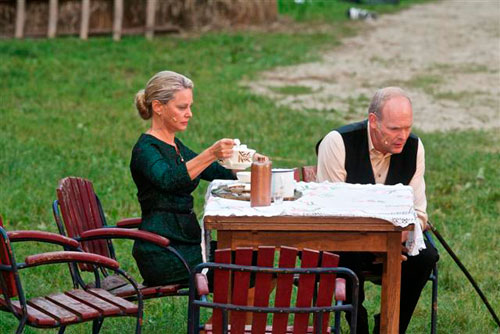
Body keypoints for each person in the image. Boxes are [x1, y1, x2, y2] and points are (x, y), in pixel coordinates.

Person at [316, 87, 439, 334]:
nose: (402, 136)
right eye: (394, 129)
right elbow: (333, 211)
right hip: (345, 235)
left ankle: (391, 327)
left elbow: (418, 211)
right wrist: (382, 243)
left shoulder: (414, 148)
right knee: (346, 255)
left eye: (407, 127)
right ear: (373, 121)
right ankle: (357, 325)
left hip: (396, 237)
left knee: (425, 257)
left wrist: (405, 234)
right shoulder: (338, 143)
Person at [130, 70, 264, 286]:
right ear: (158, 107)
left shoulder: (175, 146)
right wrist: (210, 152)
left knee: (256, 260)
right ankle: (228, 320)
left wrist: (250, 161)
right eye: (182, 107)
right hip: (163, 253)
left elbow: (213, 171)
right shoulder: (146, 150)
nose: (189, 113)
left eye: (190, 106)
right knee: (248, 269)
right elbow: (170, 180)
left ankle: (228, 319)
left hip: (185, 243)